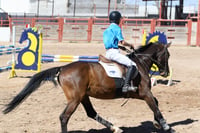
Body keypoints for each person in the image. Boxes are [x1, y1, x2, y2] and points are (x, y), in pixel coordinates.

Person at [103, 10, 138, 93]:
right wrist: (130, 45)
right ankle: (126, 86)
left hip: (108, 53)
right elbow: (122, 42)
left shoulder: (106, 30)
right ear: (118, 19)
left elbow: (110, 43)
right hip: (114, 53)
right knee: (132, 64)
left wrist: (121, 48)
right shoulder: (117, 28)